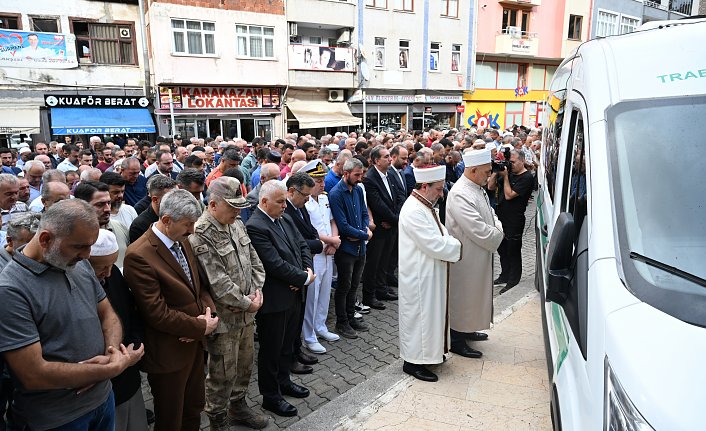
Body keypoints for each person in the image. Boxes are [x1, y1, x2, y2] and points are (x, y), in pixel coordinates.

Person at [0, 200, 143, 431]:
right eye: (79, 247)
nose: (87, 255)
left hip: (103, 401)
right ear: (45, 239)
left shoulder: (77, 264)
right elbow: (33, 374)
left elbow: (108, 314)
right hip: (58, 419)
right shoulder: (10, 290)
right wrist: (109, 369)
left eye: (90, 246)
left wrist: (112, 353)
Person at [123, 189, 218, 431]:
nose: (192, 230)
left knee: (194, 407)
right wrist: (198, 326)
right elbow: (155, 312)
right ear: (166, 220)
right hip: (168, 352)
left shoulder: (181, 239)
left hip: (194, 346)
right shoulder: (139, 255)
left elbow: (198, 286)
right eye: (188, 224)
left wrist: (208, 315)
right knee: (170, 417)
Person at [189, 177, 269, 430]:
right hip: (225, 318)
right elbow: (217, 281)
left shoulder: (235, 223)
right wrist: (248, 303)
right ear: (213, 204)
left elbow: (254, 259)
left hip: (246, 313)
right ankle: (217, 419)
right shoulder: (200, 233)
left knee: (244, 366)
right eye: (233, 206)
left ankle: (238, 407)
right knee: (222, 373)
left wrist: (256, 292)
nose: (238, 212)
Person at [245, 180, 315, 418]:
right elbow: (272, 263)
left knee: (287, 345)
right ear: (264, 202)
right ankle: (270, 396)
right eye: (280, 201)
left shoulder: (284, 218)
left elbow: (302, 245)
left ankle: (284, 382)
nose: (285, 205)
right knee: (271, 350)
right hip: (276, 299)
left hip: (294, 293)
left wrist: (306, 270)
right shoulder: (255, 226)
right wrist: (301, 278)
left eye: (285, 200)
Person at [398, 165, 461, 382]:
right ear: (425, 186)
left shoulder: (425, 205)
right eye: (438, 189)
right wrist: (456, 246)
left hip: (429, 272)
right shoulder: (414, 210)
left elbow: (441, 232)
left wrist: (450, 242)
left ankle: (430, 355)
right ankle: (413, 362)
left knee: (431, 316)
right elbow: (433, 243)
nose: (441, 194)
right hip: (419, 276)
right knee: (420, 319)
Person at [88, 229, 148, 431]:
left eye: (111, 265)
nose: (108, 273)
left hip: (129, 374)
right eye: (101, 267)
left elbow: (132, 312)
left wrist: (134, 346)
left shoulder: (113, 276)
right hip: (102, 382)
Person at [446, 149, 504, 358]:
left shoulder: (476, 187)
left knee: (474, 295)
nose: (489, 175)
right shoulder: (460, 192)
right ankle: (456, 339)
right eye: (486, 172)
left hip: (478, 253)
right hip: (466, 257)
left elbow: (491, 213)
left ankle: (468, 329)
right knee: (463, 296)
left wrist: (497, 228)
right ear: (473, 170)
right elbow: (476, 228)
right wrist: (498, 234)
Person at [283, 172, 324, 367]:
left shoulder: (300, 206)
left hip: (304, 268)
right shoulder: (285, 210)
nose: (307, 199)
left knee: (299, 314)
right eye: (304, 195)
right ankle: (290, 356)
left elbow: (310, 230)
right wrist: (319, 245)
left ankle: (297, 350)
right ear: (292, 191)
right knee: (292, 318)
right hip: (294, 271)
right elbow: (295, 242)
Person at [329, 158, 372, 339]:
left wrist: (363, 231)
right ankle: (342, 322)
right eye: (356, 175)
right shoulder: (336, 193)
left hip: (360, 247)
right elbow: (343, 226)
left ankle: (350, 316)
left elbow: (363, 213)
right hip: (346, 249)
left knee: (354, 285)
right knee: (344, 286)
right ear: (345, 173)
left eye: (361, 174)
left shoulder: (358, 189)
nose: (360, 178)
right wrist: (365, 234)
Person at [302, 161, 341, 353]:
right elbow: (309, 232)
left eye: (323, 180)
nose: (322, 184)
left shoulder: (324, 198)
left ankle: (321, 326)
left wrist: (333, 241)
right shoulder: (305, 203)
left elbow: (332, 220)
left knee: (325, 291)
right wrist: (331, 240)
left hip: (328, 252)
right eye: (318, 180)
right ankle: (309, 335)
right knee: (313, 295)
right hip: (316, 254)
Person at [361, 146, 405, 310]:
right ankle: (369, 295)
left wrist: (395, 220)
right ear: (376, 160)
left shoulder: (390, 175)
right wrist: (395, 219)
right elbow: (377, 204)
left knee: (385, 261)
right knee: (374, 262)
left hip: (390, 225)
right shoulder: (370, 178)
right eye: (386, 156)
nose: (389, 159)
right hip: (379, 228)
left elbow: (399, 196)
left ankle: (381, 289)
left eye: (389, 156)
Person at [488, 149, 533, 290]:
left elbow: (509, 195)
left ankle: (513, 280)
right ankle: (505, 275)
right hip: (501, 217)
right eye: (509, 162)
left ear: (522, 160)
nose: (511, 165)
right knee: (502, 249)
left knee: (513, 250)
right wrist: (496, 171)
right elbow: (490, 186)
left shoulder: (527, 177)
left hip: (515, 219)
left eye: (513, 162)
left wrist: (506, 177)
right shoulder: (508, 173)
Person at [129, 175, 177, 243]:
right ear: (155, 200)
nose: (175, 202)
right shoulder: (139, 226)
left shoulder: (177, 216)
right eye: (170, 199)